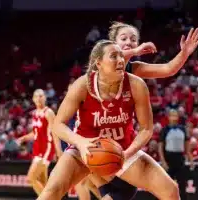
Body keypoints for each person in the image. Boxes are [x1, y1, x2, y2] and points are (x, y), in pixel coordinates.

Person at [37, 40, 180, 200]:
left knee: (170, 190)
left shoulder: (136, 85)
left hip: (123, 148)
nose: (120, 60)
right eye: (114, 56)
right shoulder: (83, 85)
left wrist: (127, 153)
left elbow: (146, 129)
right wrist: (81, 143)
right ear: (98, 63)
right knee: (51, 192)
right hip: (87, 147)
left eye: (121, 56)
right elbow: (58, 124)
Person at [77, 21, 198, 200]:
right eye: (124, 38)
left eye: (133, 39)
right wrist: (135, 51)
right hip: (95, 145)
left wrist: (184, 53)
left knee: (164, 191)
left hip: (123, 146)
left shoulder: (134, 70)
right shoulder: (99, 67)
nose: (129, 41)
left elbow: (168, 69)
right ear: (111, 43)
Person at [17, 89, 62, 196]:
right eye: (37, 96)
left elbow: (55, 132)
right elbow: (35, 133)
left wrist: (58, 151)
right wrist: (23, 138)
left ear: (45, 98)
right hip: (37, 149)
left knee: (30, 178)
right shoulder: (35, 113)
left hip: (46, 149)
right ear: (33, 99)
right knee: (43, 182)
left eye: (41, 96)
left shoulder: (49, 112)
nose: (39, 98)